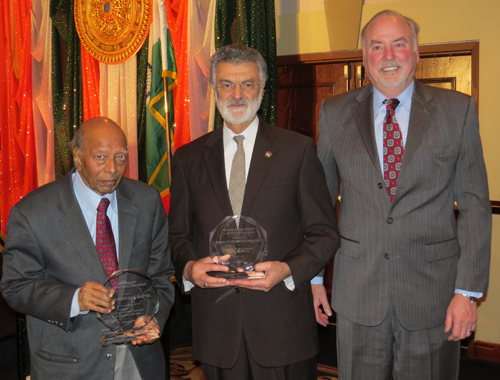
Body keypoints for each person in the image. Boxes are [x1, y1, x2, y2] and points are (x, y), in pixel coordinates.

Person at [312, 9, 491, 380]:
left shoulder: (457, 111)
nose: (388, 56)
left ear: (416, 53)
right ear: (364, 58)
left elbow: (475, 206)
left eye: (398, 44)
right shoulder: (334, 113)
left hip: (434, 297)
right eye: (377, 47)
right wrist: (314, 278)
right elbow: (319, 201)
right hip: (358, 294)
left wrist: (467, 292)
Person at [168, 44, 340, 380]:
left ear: (262, 89)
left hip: (282, 325)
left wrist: (287, 269)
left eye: (247, 84)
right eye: (226, 84)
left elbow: (324, 232)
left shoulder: (297, 151)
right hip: (217, 328)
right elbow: (176, 235)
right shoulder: (188, 159)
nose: (236, 94)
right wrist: (189, 268)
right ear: (214, 89)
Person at [1, 117, 175, 380]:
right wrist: (74, 299)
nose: (112, 169)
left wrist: (153, 317)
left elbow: (161, 276)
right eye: (101, 157)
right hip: (70, 363)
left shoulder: (147, 200)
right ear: (78, 157)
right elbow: (16, 286)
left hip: (138, 360)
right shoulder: (33, 213)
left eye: (120, 157)